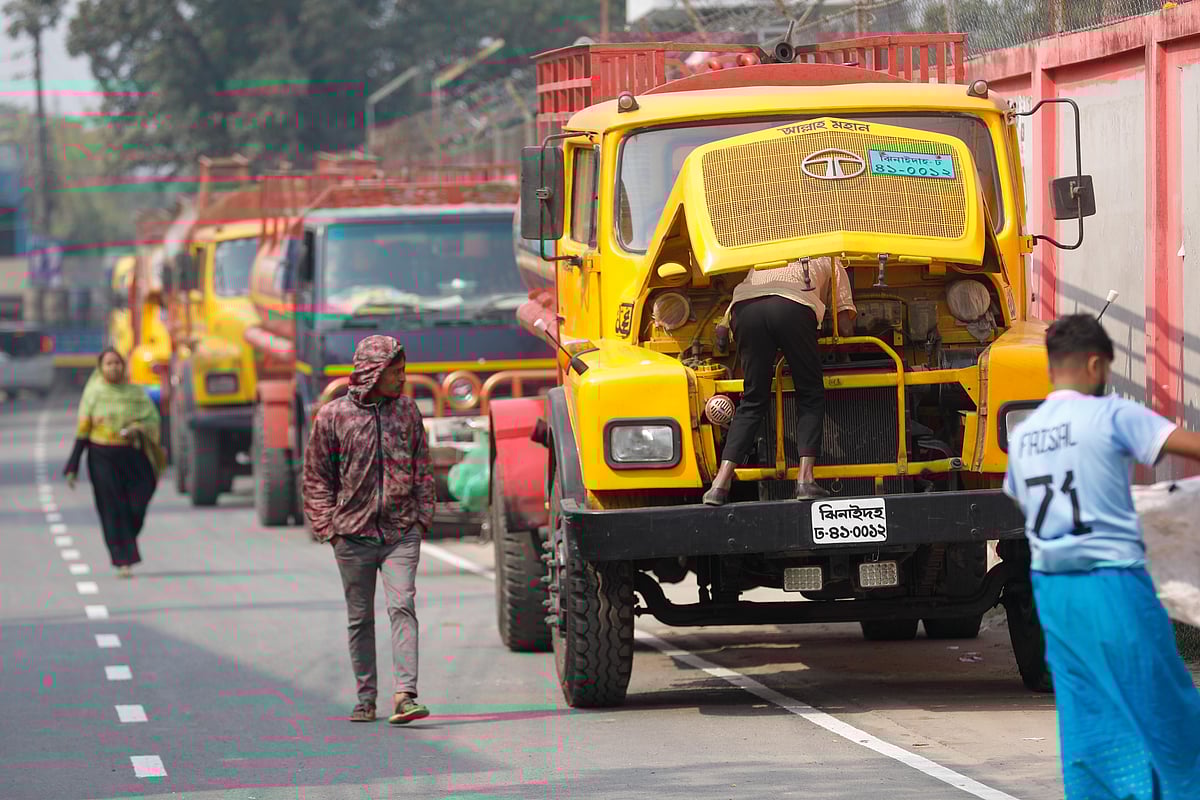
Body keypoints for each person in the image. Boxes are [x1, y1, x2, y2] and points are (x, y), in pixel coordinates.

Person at [1003, 314, 1200, 800]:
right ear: (1096, 364)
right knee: (1162, 704)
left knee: (1088, 712)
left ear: (1051, 369)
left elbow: (1021, 500)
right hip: (1112, 582)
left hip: (1054, 592)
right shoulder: (1111, 414)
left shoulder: (1024, 437)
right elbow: (1188, 446)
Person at [303, 334, 435, 725]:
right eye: (395, 372)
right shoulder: (333, 416)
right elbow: (315, 477)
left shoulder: (408, 411)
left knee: (402, 605)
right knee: (360, 618)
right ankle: (366, 698)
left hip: (400, 530)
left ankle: (405, 695)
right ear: (372, 373)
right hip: (352, 535)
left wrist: (422, 516)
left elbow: (422, 468)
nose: (402, 379)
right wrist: (328, 527)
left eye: (403, 371)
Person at [703, 256, 857, 506]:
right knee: (809, 394)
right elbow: (846, 326)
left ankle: (720, 484)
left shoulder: (768, 252)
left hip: (744, 310)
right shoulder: (830, 258)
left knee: (753, 398)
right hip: (792, 308)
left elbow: (723, 327)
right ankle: (805, 479)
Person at [62, 348, 165, 578]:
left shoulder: (136, 393)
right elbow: (83, 431)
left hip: (132, 454)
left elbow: (152, 419)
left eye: (117, 363)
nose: (114, 368)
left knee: (137, 504)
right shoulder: (94, 394)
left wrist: (138, 428)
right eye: (109, 364)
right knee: (112, 508)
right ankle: (122, 560)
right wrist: (72, 466)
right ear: (101, 368)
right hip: (102, 456)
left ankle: (126, 537)